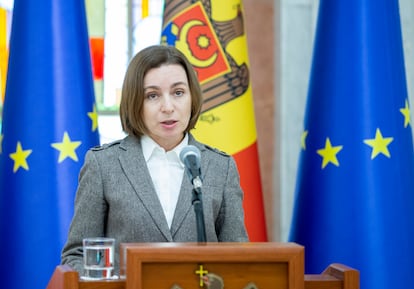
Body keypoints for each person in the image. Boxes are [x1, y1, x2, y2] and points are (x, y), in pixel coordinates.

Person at [61, 45, 249, 275]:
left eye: (178, 93)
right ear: (135, 102)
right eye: (152, 96)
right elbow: (77, 255)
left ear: (192, 97)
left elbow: (238, 258)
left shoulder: (221, 167)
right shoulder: (104, 165)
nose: (168, 107)